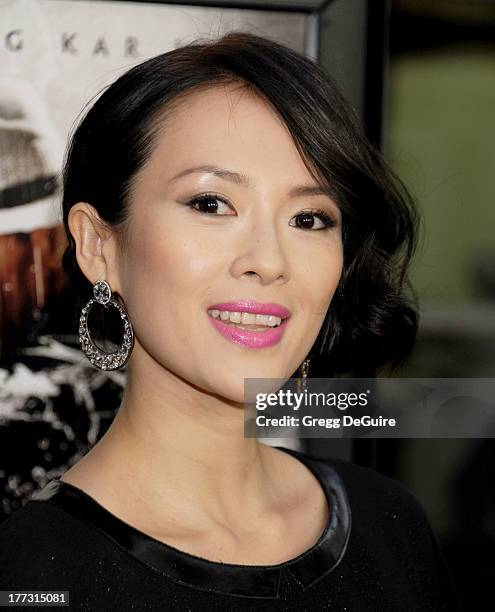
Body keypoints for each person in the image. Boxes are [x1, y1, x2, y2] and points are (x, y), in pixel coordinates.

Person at [0, 31, 460, 610]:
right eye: (211, 204)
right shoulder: (35, 575)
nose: (268, 262)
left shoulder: (390, 525)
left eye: (310, 218)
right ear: (99, 246)